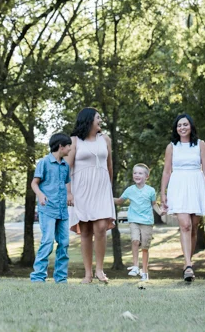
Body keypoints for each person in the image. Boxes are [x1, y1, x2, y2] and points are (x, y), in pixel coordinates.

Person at [160, 113, 205, 282]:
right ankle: (189, 265)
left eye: (185, 124)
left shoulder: (200, 144)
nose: (182, 127)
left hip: (196, 185)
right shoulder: (171, 147)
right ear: (176, 129)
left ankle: (187, 264)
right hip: (178, 186)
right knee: (185, 225)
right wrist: (163, 193)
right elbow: (167, 171)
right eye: (179, 125)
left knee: (194, 226)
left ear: (191, 126)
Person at [66, 108, 116, 284]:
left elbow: (109, 166)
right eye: (98, 118)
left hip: (101, 189)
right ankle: (88, 274)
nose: (100, 120)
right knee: (86, 230)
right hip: (81, 190)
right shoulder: (74, 141)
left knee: (101, 227)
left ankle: (99, 270)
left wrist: (109, 188)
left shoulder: (105, 139)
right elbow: (66, 168)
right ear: (88, 120)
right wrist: (68, 192)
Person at [30, 134, 72, 283]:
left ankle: (61, 278)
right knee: (47, 241)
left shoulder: (66, 165)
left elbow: (67, 182)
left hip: (62, 211)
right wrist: (40, 195)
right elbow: (34, 183)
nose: (70, 149)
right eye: (69, 146)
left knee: (64, 243)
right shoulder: (44, 162)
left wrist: (69, 194)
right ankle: (38, 277)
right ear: (61, 146)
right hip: (48, 209)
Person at [114, 164, 157, 281]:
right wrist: (107, 198)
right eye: (135, 173)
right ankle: (135, 267)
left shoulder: (151, 191)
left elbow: (154, 205)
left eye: (140, 173)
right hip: (134, 220)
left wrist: (162, 211)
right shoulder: (130, 190)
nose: (137, 175)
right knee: (135, 240)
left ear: (146, 176)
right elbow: (119, 201)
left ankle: (145, 272)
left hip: (147, 222)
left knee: (145, 247)